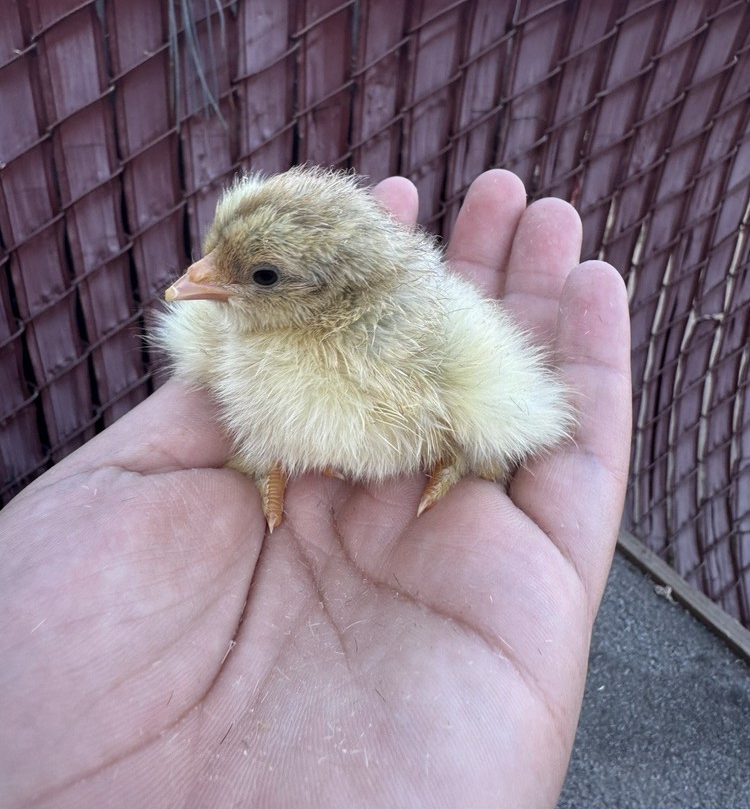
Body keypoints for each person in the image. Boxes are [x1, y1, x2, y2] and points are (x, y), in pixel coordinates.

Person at [0, 170, 631, 809]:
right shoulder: (244, 343)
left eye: (262, 276)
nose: (194, 276)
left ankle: (438, 451)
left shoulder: (419, 348)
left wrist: (457, 445)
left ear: (328, 296)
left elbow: (512, 404)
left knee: (472, 413)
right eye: (216, 250)